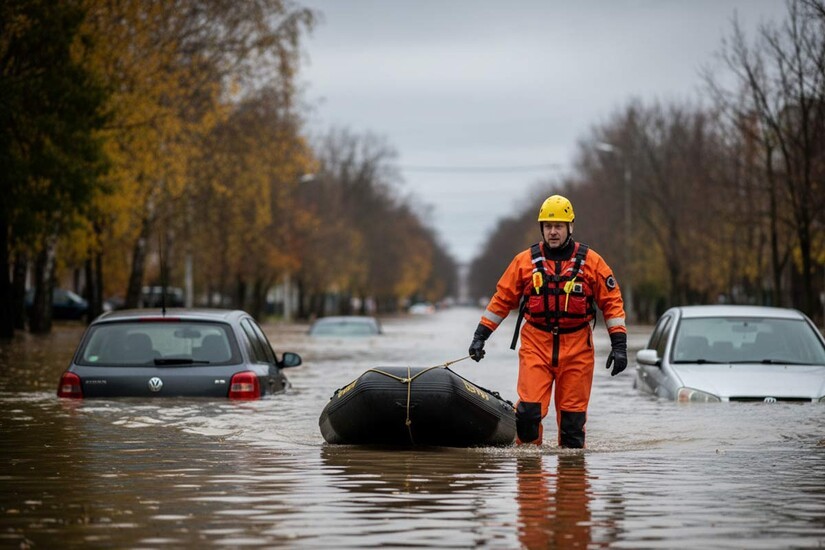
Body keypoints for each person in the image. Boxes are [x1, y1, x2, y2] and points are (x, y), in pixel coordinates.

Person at [468, 194, 627, 448]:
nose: (553, 232)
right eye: (548, 226)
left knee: (573, 425)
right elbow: (501, 300)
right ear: (542, 228)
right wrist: (480, 336)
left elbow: (612, 303)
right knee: (528, 415)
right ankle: (531, 478)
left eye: (559, 226)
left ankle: (572, 482)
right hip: (536, 344)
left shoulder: (592, 262)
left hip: (577, 347)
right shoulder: (524, 262)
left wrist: (619, 345)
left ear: (570, 227)